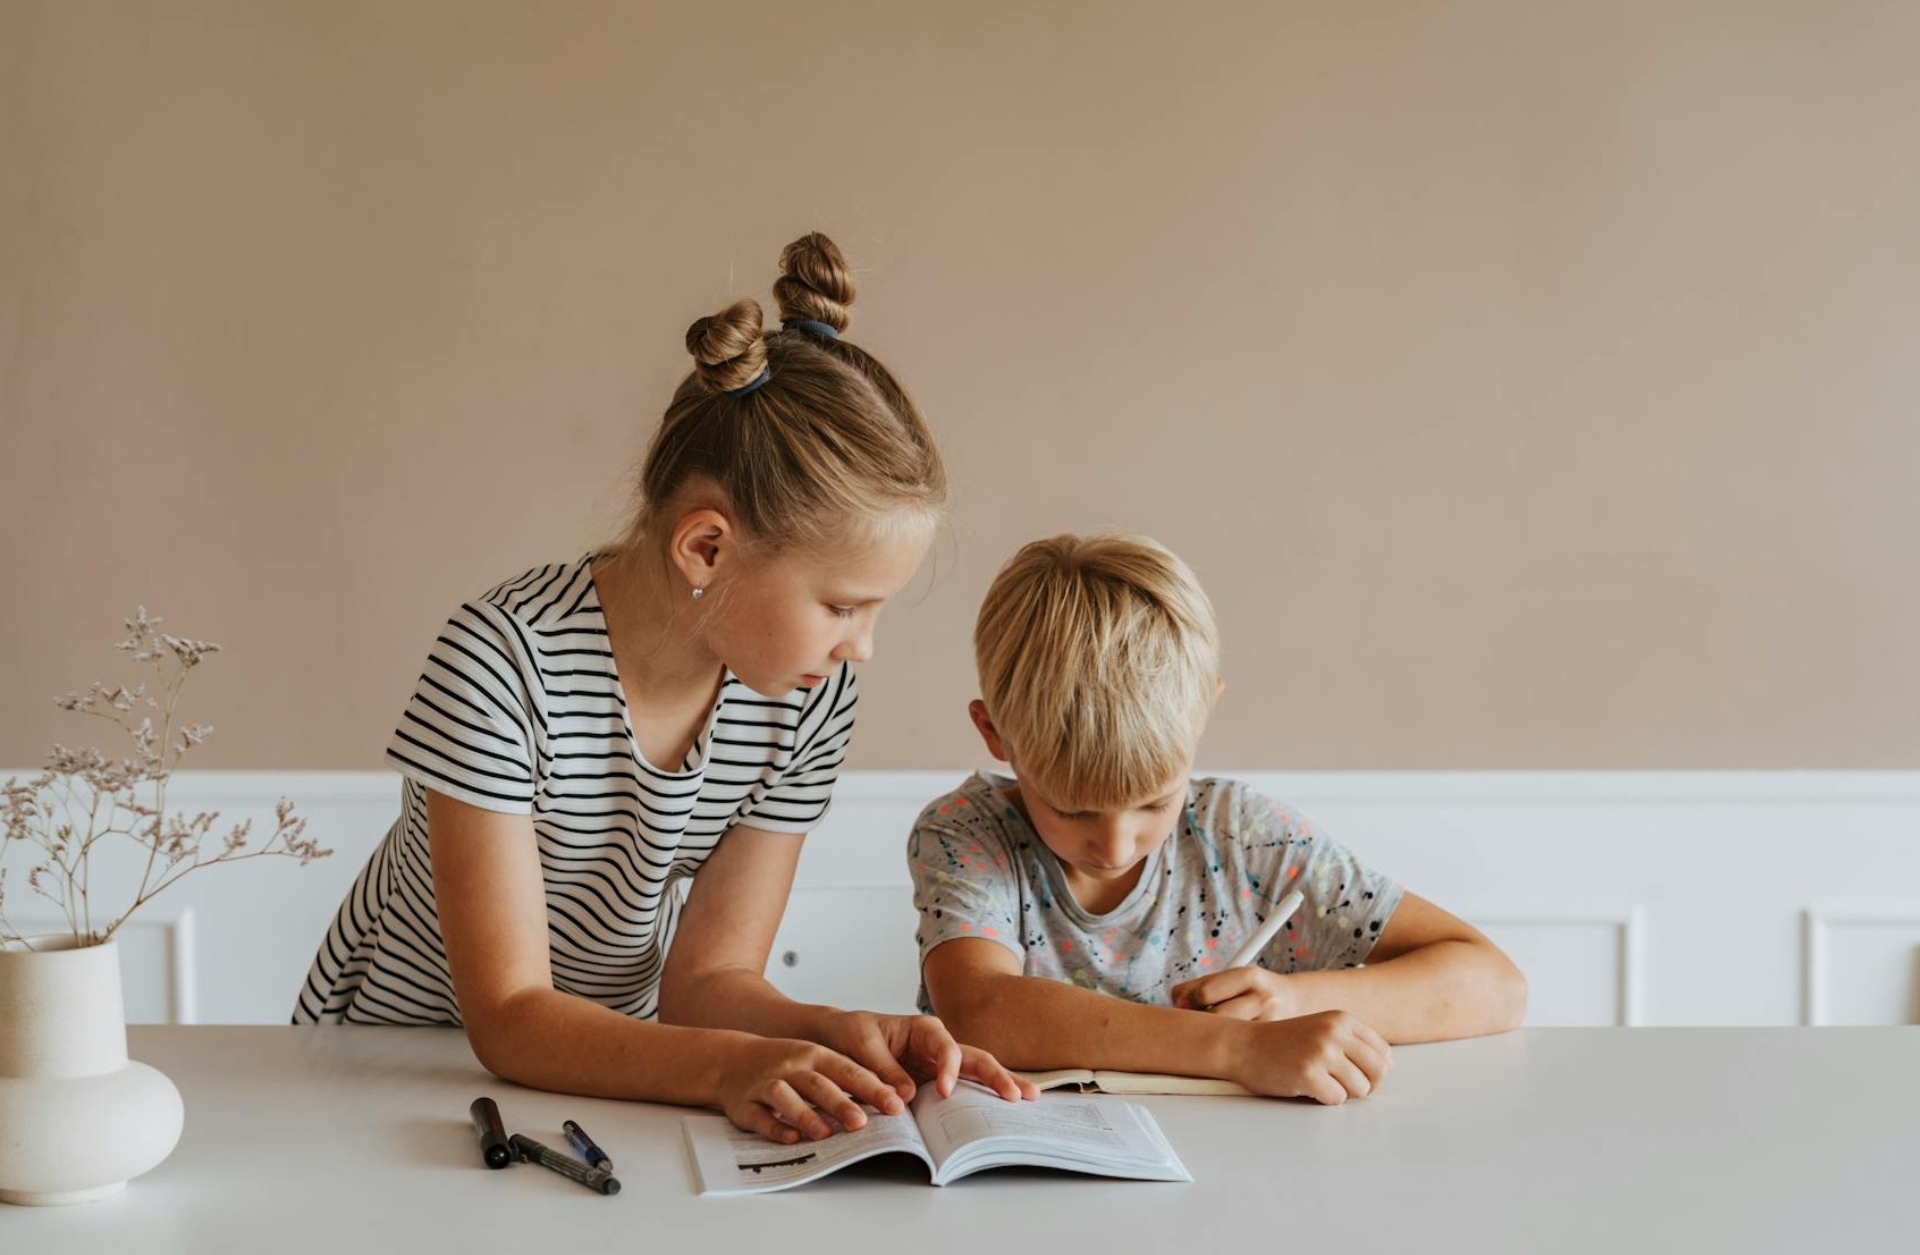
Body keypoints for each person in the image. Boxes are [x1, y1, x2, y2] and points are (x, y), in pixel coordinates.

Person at [295, 233, 1034, 1144]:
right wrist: (730, 1066)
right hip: (384, 1075)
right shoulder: (498, 663)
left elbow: (705, 985)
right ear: (707, 547)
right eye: (843, 605)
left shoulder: (805, 696)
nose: (863, 648)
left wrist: (838, 1032)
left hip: (609, 1073)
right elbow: (511, 1015)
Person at [911, 533, 1528, 1104]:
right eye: (1072, 809)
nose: (1117, 845)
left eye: (1154, 802)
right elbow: (982, 1010)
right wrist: (1239, 1049)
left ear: (1204, 712)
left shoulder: (1243, 835)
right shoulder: (967, 831)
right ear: (994, 732)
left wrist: (1291, 1001)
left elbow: (1496, 987)